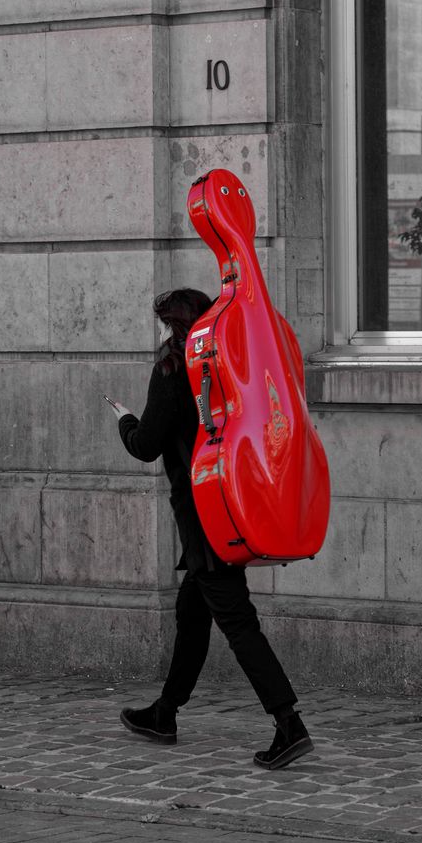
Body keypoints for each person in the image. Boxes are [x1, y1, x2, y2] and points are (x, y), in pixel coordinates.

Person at [107, 287, 313, 770]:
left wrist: (124, 420)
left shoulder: (171, 371)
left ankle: (289, 723)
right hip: (226, 502)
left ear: (175, 327)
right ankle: (165, 713)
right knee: (192, 616)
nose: (158, 334)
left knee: (238, 623)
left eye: (162, 324)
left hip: (203, 515)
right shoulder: (220, 368)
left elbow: (146, 445)